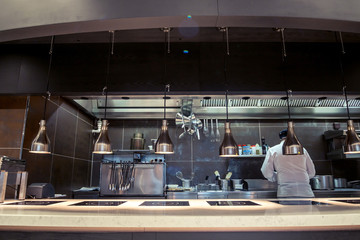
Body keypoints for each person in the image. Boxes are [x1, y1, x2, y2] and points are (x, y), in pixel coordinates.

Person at [261, 129, 316, 198]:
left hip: (286, 192)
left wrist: (278, 176)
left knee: (287, 209)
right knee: (307, 209)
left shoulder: (273, 150)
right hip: (305, 192)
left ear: (281, 138)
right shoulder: (302, 150)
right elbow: (312, 172)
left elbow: (267, 173)